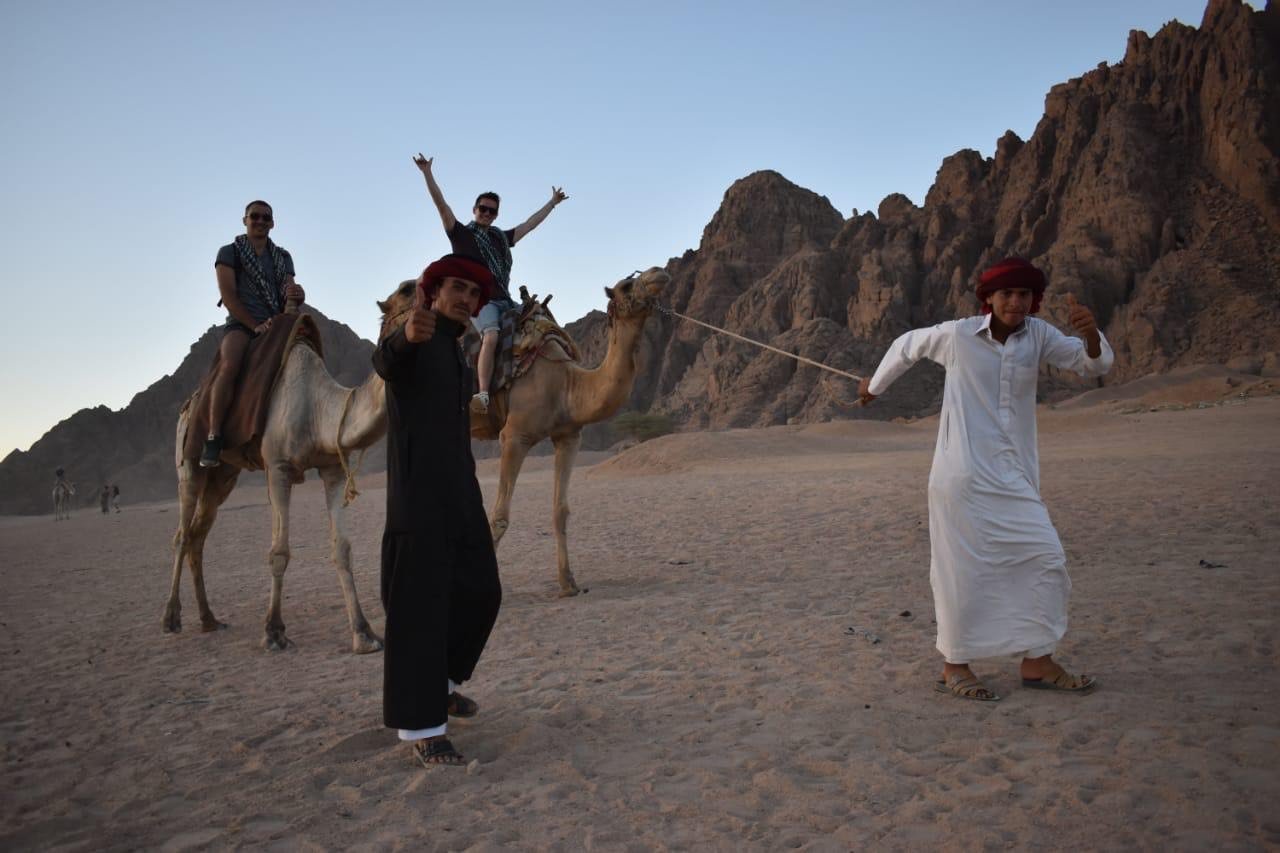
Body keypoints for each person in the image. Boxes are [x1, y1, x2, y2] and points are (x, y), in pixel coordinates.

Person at [858, 257, 1113, 702]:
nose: (1015, 302)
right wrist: (874, 388)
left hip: (1014, 476)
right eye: (1006, 294)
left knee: (1044, 559)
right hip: (962, 476)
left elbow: (1090, 366)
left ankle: (1037, 661)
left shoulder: (1039, 335)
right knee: (962, 572)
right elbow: (906, 345)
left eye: (1024, 295)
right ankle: (954, 666)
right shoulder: (958, 335)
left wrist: (1090, 335)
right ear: (989, 300)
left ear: (1035, 301)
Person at [372, 253, 504, 767]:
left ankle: (442, 684)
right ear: (433, 292)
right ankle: (425, 727)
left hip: (459, 489)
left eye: (473, 294)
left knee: (482, 590)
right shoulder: (418, 337)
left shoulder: (457, 350)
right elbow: (386, 363)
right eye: (456, 288)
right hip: (419, 496)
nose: (466, 299)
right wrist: (406, 334)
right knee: (420, 607)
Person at [412, 153, 568, 414]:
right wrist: (427, 173)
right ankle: (483, 394)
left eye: (491, 211)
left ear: (495, 215)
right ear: (474, 210)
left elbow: (529, 225)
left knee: (542, 322)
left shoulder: (500, 238)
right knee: (492, 335)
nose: (486, 213)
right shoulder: (461, 234)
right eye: (482, 208)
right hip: (481, 302)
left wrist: (552, 203)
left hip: (506, 299)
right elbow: (442, 205)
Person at [200, 200, 305, 467]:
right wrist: (253, 325)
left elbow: (288, 293)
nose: (260, 221)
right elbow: (228, 294)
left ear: (272, 223)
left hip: (276, 322)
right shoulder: (229, 253)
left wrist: (297, 295)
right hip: (241, 324)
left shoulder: (283, 257)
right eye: (254, 216)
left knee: (305, 358)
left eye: (265, 218)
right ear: (245, 220)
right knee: (230, 364)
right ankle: (214, 436)